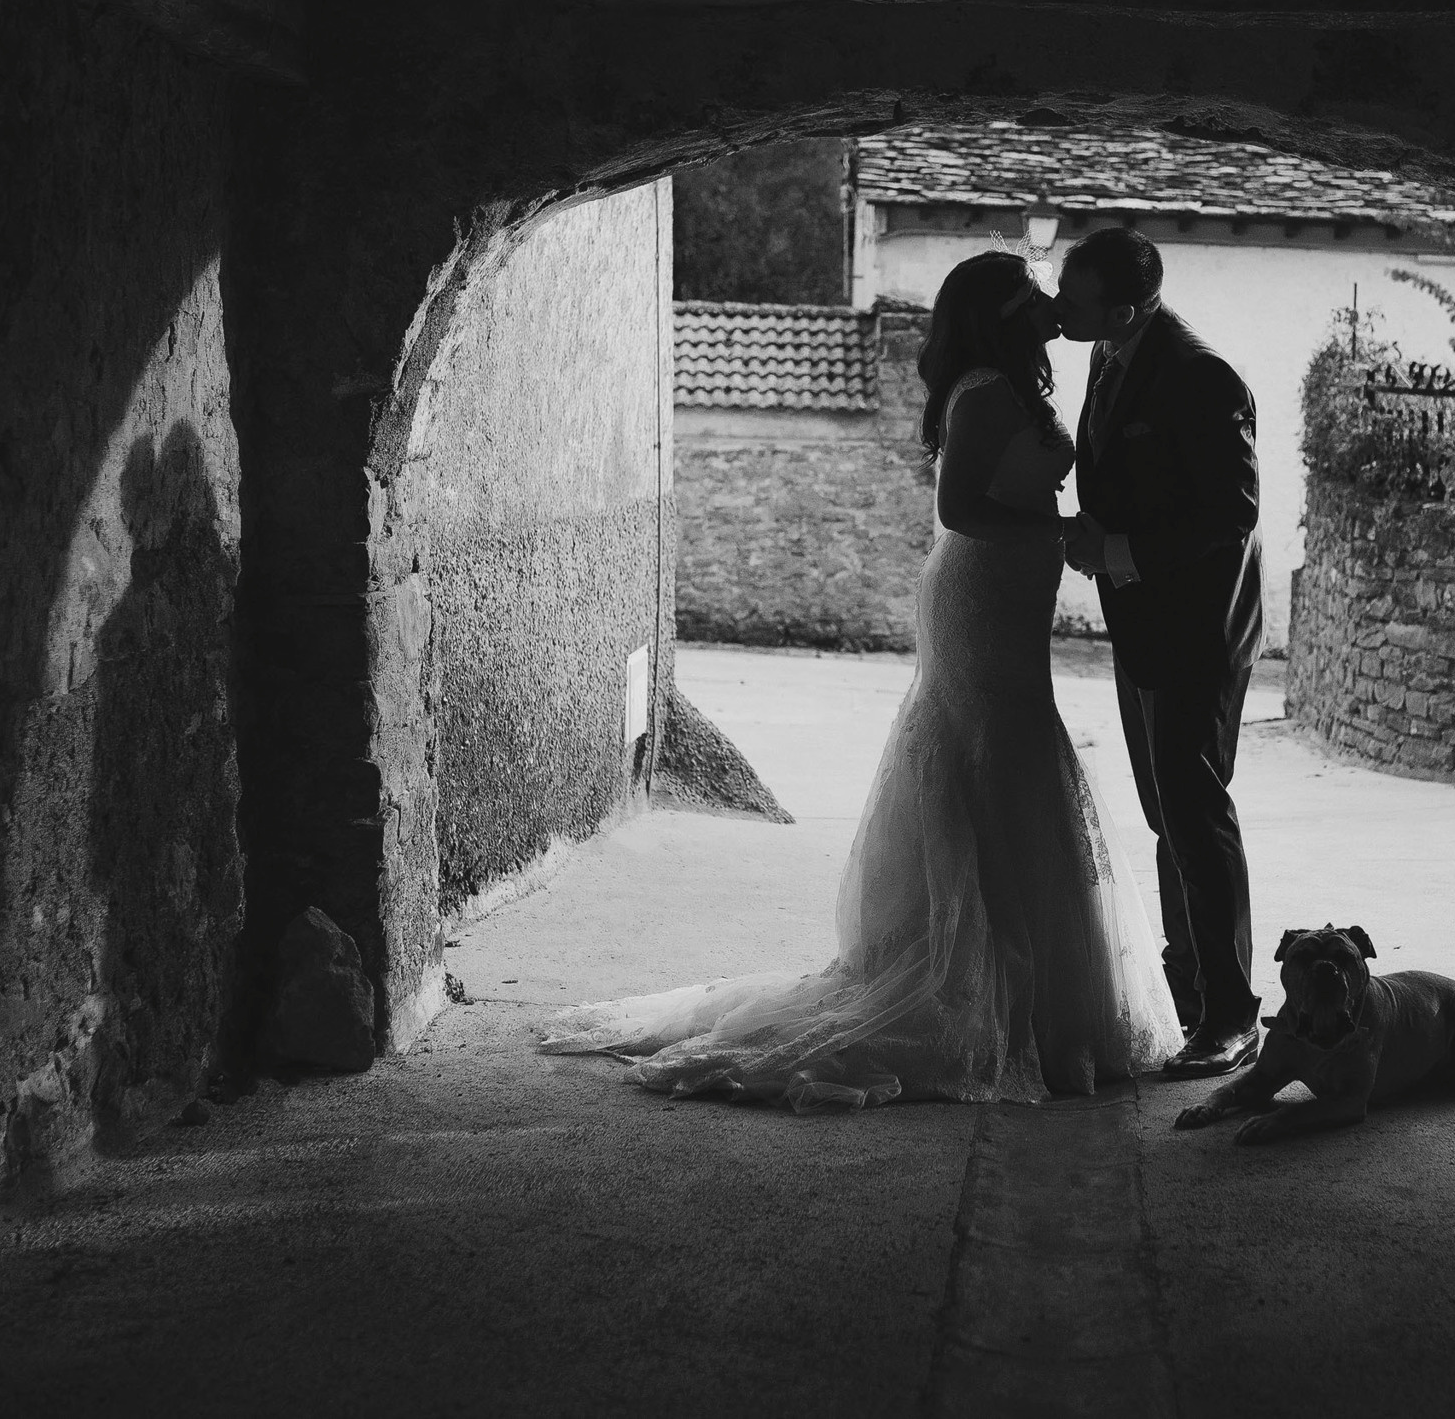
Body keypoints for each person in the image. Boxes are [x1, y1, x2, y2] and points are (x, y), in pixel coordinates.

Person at [537, 250, 1179, 1108]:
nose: (1047, 305)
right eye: (1032, 296)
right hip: (981, 592)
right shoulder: (985, 388)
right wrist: (1055, 529)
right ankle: (972, 981)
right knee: (995, 748)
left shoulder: (1022, 381)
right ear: (1002, 315)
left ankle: (1025, 989)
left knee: (1017, 752)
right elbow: (959, 509)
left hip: (1011, 591)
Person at [1058, 226, 1267, 1079]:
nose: (1058, 304)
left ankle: (1232, 1016)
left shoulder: (1201, 375)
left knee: (1195, 808)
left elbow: (1235, 512)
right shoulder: (1108, 355)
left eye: (1073, 293)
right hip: (1140, 624)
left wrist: (1120, 552)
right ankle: (1193, 998)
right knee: (1164, 814)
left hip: (1198, 628)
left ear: (1126, 304)